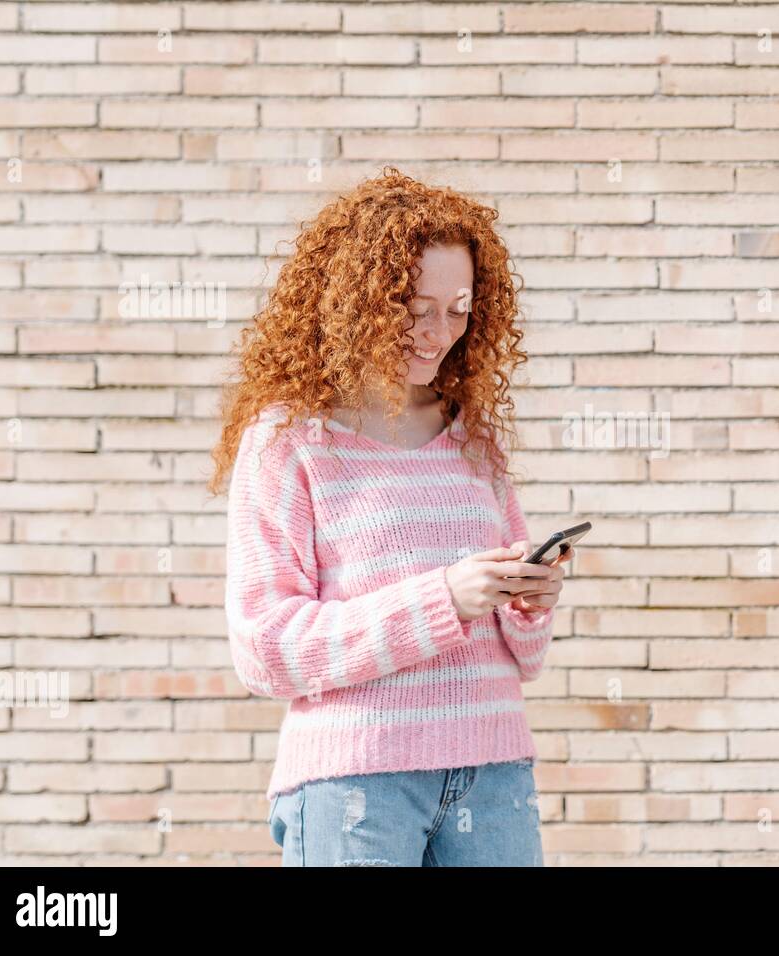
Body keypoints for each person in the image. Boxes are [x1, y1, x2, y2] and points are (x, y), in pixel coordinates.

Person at [207, 167, 570, 866]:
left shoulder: (474, 438)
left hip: (495, 781)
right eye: (415, 305)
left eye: (459, 308)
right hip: (357, 785)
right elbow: (264, 648)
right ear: (362, 301)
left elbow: (524, 659)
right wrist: (442, 599)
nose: (440, 332)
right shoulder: (291, 441)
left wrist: (527, 601)